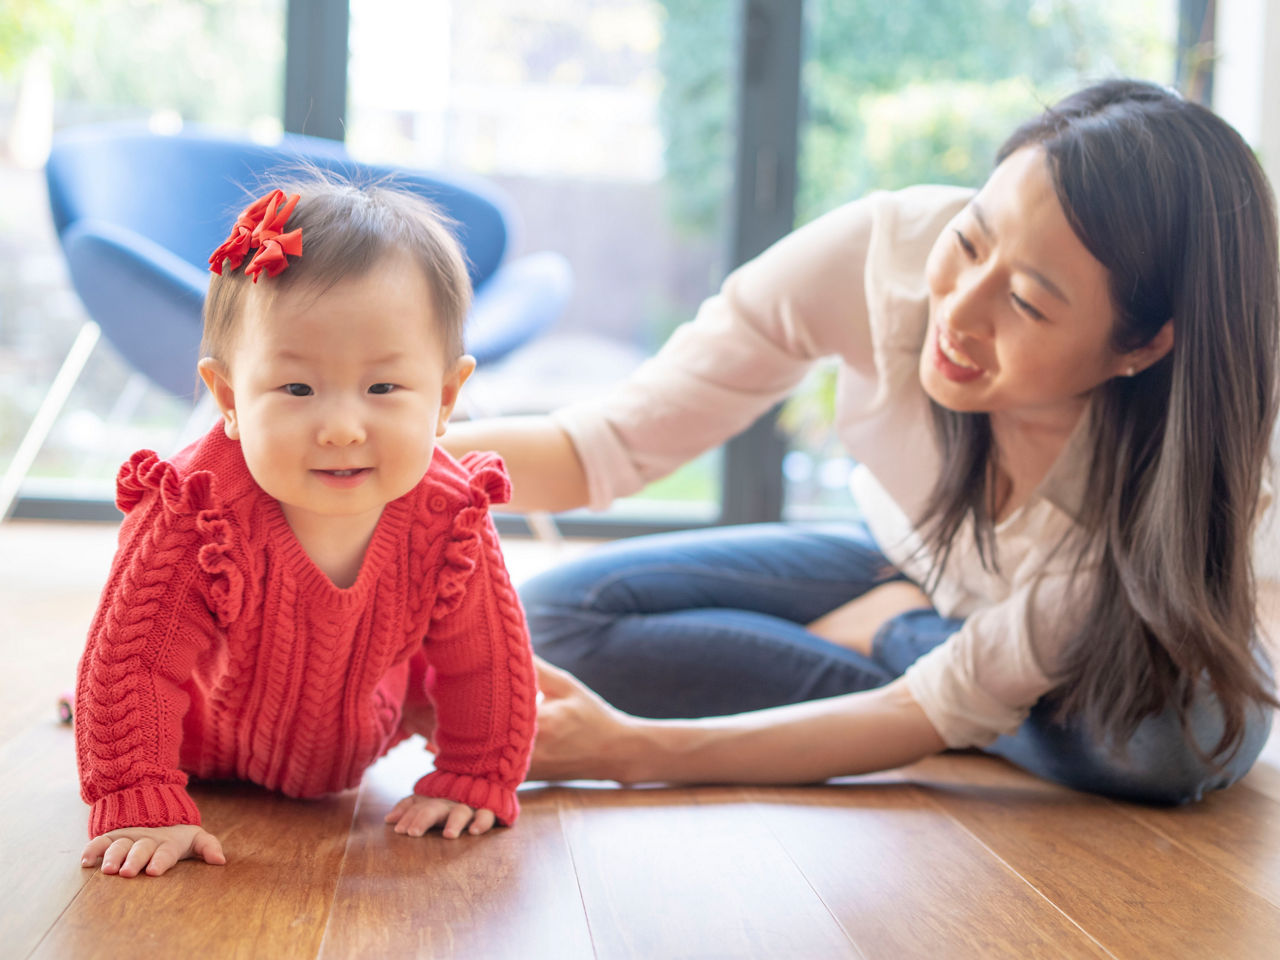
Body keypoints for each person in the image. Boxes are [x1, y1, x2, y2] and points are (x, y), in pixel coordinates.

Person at [443, 79, 1278, 805]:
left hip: (1136, 645)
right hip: (911, 562)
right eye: (971, 238)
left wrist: (628, 750)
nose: (957, 308)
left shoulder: (1164, 482)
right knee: (552, 622)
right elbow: (604, 444)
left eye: (1025, 303)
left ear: (1142, 345)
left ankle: (892, 636)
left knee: (1163, 747)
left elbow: (932, 713)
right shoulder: (880, 256)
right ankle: (904, 654)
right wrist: (396, 455)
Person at [76, 178, 537, 878]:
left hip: (353, 751)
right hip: (199, 750)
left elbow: (487, 659)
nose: (343, 428)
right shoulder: (193, 510)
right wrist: (140, 797)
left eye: (383, 389)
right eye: (297, 389)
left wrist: (477, 771)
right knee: (123, 672)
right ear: (229, 398)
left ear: (445, 399)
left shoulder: (452, 516)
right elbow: (132, 663)